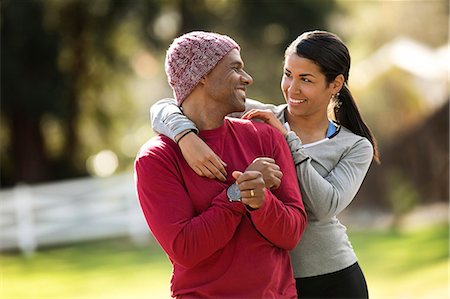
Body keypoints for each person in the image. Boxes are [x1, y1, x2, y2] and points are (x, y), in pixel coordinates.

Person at [150, 30, 380, 298]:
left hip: (332, 278)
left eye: (306, 79)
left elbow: (323, 206)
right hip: (274, 283)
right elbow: (171, 105)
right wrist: (184, 136)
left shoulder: (355, 146)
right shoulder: (259, 116)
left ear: (335, 84)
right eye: (288, 74)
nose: (292, 88)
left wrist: (288, 142)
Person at [135, 31, 307, 298]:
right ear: (201, 75)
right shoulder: (157, 158)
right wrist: (237, 194)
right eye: (235, 68)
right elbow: (185, 249)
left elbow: (292, 234)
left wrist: (261, 201)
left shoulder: (265, 136)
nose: (247, 78)